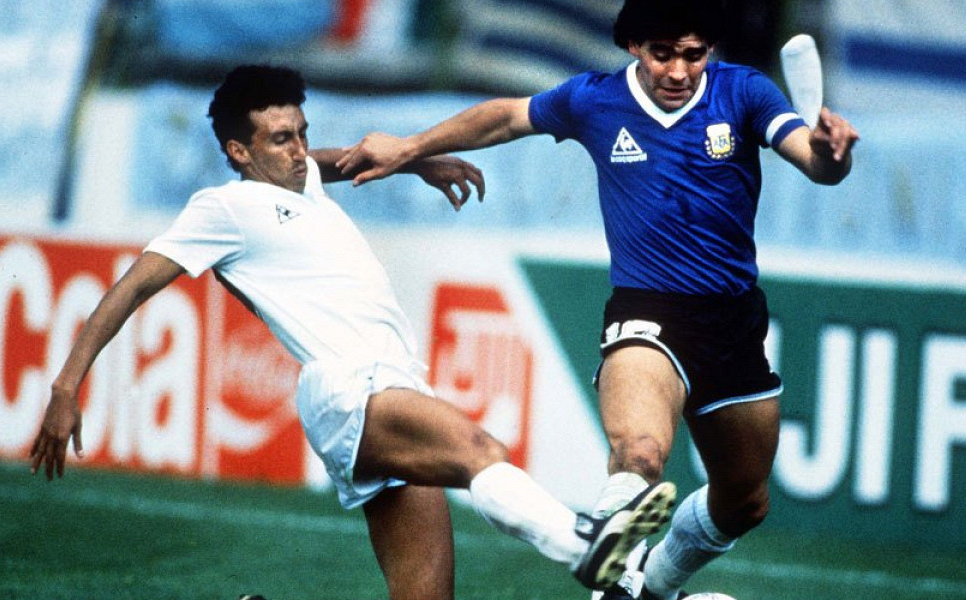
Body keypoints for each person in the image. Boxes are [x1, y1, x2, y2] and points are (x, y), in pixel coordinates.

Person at [27, 64, 676, 600]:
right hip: (348, 388)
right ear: (238, 152)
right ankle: (591, 552)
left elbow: (337, 161)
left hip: (392, 383)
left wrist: (418, 162)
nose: (298, 149)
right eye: (280, 139)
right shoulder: (222, 208)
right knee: (479, 449)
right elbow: (132, 287)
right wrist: (65, 386)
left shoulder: (302, 178)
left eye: (301, 133)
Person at [334, 0, 860, 598]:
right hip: (647, 314)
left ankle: (649, 586)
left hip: (734, 323)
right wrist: (408, 148)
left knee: (744, 501)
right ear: (634, 46)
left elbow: (814, 161)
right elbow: (505, 117)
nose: (679, 71)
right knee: (638, 453)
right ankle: (606, 547)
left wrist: (831, 154)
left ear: (710, 50)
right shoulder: (595, 99)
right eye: (662, 54)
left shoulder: (743, 93)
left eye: (693, 55)